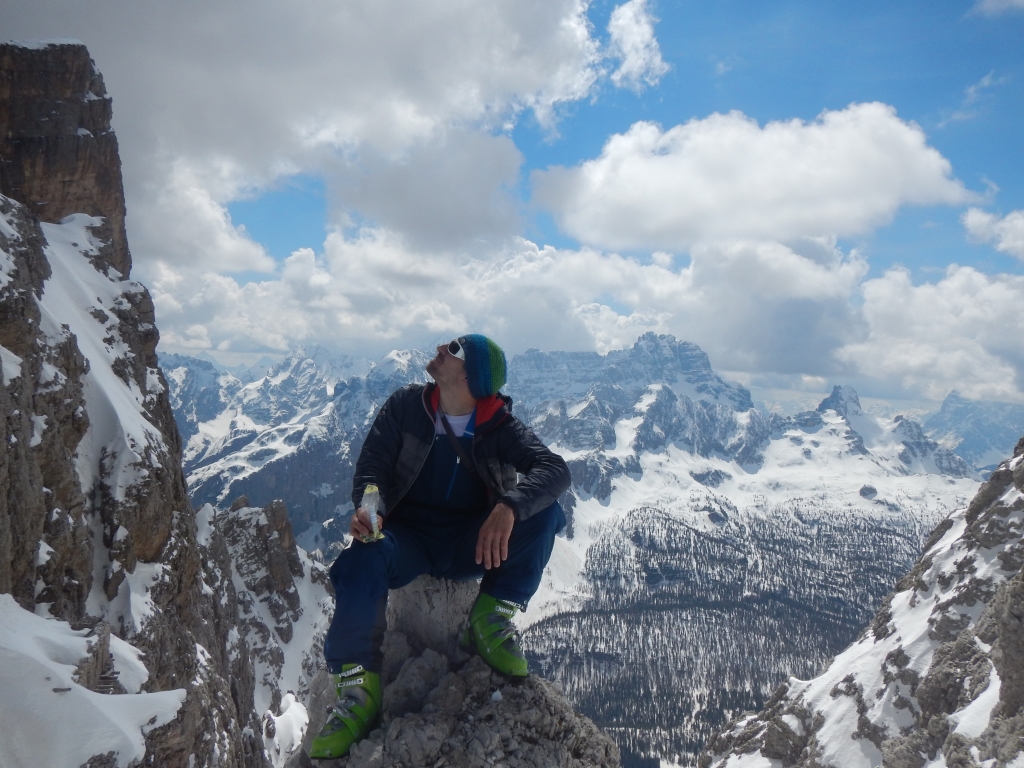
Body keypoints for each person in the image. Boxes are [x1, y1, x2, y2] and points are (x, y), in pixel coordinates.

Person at [309, 334, 571, 759]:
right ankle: (358, 692)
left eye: (454, 349)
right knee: (359, 560)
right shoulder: (406, 406)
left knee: (545, 513)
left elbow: (554, 470)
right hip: (407, 539)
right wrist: (370, 507)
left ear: (472, 376)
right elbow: (373, 465)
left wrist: (509, 506)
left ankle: (490, 618)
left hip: (470, 542)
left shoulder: (500, 425)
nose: (440, 350)